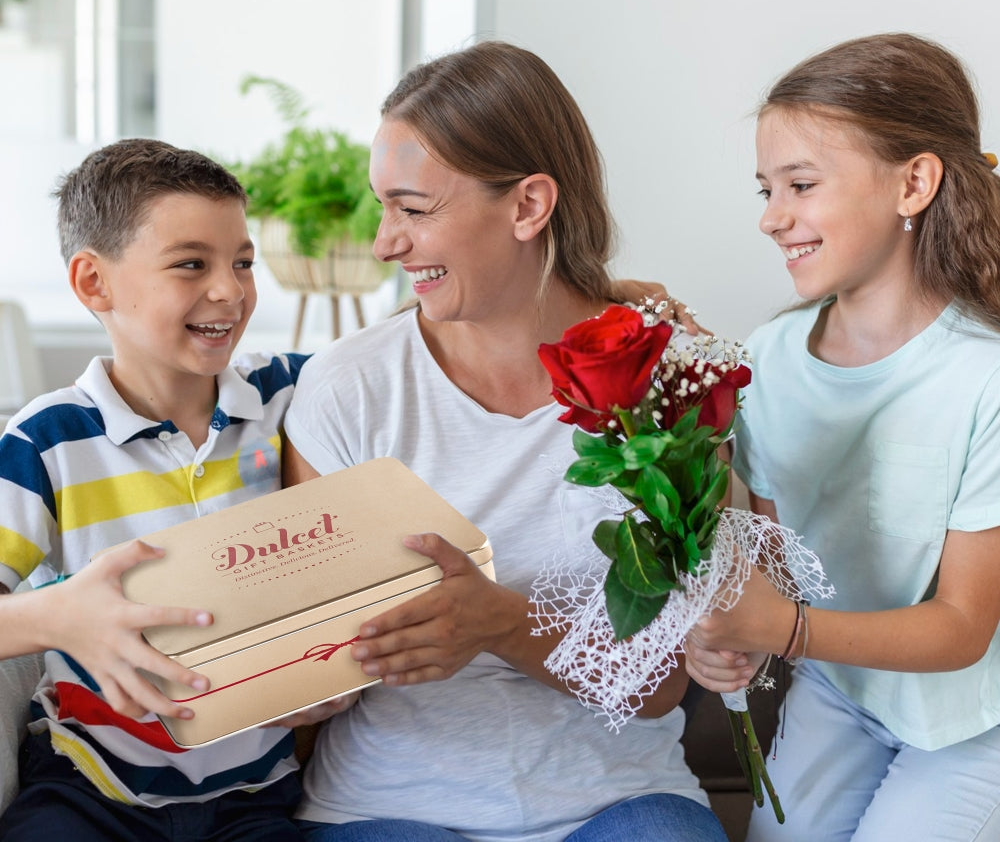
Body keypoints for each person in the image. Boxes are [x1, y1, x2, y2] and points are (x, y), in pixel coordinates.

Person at [282, 41, 728, 842]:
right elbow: (306, 652)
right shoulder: (349, 391)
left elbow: (661, 686)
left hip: (620, 798)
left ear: (528, 206)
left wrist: (500, 623)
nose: (385, 243)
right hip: (388, 806)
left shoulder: (669, 381)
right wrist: (297, 681)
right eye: (383, 207)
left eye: (414, 210)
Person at [684, 34, 1000, 841]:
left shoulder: (985, 377)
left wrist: (780, 630)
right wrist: (726, 644)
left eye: (800, 184)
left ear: (915, 182)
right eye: (764, 188)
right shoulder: (769, 359)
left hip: (975, 720)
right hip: (842, 689)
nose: (770, 217)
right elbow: (768, 560)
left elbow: (964, 628)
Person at [0, 139, 322, 840]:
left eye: (243, 262)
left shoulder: (292, 393)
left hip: (256, 797)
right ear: (94, 283)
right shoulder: (47, 440)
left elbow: (419, 343)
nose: (230, 291)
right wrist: (58, 618)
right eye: (191, 265)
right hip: (89, 790)